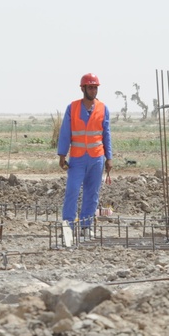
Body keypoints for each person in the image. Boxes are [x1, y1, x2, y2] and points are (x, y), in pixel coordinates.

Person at [57, 73, 112, 236]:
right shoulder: (72, 107)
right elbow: (65, 132)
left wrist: (109, 157)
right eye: (90, 87)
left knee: (92, 193)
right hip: (78, 159)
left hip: (96, 158)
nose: (93, 90)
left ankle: (86, 227)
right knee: (72, 190)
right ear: (83, 88)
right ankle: (67, 227)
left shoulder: (103, 108)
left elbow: (106, 134)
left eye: (95, 87)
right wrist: (62, 155)